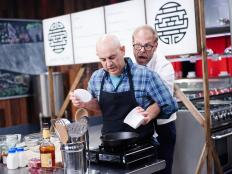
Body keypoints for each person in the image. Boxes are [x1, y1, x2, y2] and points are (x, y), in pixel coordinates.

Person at [70, 34, 178, 144]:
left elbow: (169, 104)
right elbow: (101, 107)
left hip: (142, 146)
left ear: (123, 50)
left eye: (112, 57)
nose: (108, 64)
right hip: (109, 144)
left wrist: (149, 114)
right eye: (103, 59)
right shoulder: (96, 78)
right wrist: (85, 104)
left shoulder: (145, 75)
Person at [132, 25, 176, 174]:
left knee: (162, 169)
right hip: (137, 127)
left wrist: (146, 115)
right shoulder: (129, 64)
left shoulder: (164, 67)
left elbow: (161, 102)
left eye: (147, 46)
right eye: (138, 45)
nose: (142, 50)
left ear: (155, 45)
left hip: (162, 126)